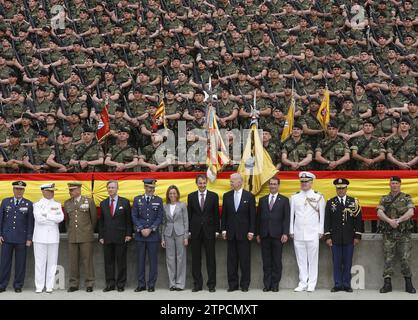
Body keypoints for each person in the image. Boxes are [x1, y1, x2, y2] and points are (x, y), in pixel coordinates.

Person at [377, 176, 416, 294]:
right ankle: (387, 284)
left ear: (400, 184)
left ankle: (408, 284)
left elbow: (411, 212)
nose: (394, 185)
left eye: (396, 183)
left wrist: (398, 221)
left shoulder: (406, 198)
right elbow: (379, 212)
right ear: (390, 185)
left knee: (405, 258)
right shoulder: (384, 198)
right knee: (388, 259)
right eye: (392, 183)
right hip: (388, 234)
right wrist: (390, 221)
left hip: (403, 234)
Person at [324, 178, 362, 293]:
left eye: (342, 188)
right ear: (336, 189)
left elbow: (359, 220)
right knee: (336, 262)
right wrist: (328, 236)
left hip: (349, 238)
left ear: (346, 188)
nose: (340, 190)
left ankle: (346, 284)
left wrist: (357, 236)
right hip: (335, 238)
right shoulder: (331, 202)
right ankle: (337, 284)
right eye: (338, 188)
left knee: (347, 262)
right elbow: (327, 221)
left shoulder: (353, 202)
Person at [290, 171, 325, 292]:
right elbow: (292, 216)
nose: (304, 184)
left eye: (306, 182)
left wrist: (321, 230)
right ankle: (302, 282)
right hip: (298, 232)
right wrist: (291, 230)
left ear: (311, 182)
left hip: (313, 232)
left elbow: (322, 216)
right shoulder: (294, 197)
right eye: (302, 181)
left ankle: (312, 283)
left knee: (313, 260)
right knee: (301, 260)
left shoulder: (318, 196)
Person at [221, 173, 256, 292]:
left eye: (232, 181)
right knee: (231, 261)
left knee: (244, 260)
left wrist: (252, 231)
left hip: (245, 234)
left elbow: (252, 216)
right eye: (230, 181)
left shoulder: (249, 196)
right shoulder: (227, 196)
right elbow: (224, 215)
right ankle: (232, 284)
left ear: (240, 182)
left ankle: (245, 284)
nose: (230, 183)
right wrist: (224, 230)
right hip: (231, 233)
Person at [256, 176, 290, 292]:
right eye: (271, 184)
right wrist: (258, 234)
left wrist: (285, 233)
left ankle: (275, 284)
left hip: (278, 236)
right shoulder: (262, 200)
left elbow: (286, 219)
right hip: (264, 235)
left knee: (276, 261)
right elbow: (258, 218)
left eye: (275, 184)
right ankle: (267, 284)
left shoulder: (284, 200)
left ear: (278, 186)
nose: (272, 186)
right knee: (266, 262)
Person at [187, 174, 220, 293]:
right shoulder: (191, 197)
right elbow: (189, 215)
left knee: (211, 259)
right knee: (196, 259)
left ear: (207, 183)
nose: (202, 185)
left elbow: (216, 215)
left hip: (209, 232)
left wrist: (217, 230)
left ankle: (211, 284)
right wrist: (189, 230)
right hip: (195, 232)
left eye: (204, 183)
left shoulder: (213, 196)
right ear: (196, 184)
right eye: (200, 183)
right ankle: (197, 284)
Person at [98, 180, 132, 292]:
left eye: (113, 187)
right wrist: (101, 236)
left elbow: (128, 220)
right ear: (107, 189)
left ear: (117, 189)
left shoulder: (125, 202)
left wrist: (128, 234)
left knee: (121, 261)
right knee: (108, 262)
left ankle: (121, 284)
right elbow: (101, 222)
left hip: (121, 237)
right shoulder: (103, 203)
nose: (111, 189)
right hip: (107, 237)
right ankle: (110, 284)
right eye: (109, 187)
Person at [0, 181, 34, 293]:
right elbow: (1, 220)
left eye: (21, 189)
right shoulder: (5, 202)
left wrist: (29, 238)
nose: (19, 191)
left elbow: (30, 223)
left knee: (20, 263)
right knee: (4, 263)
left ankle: (18, 285)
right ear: (13, 190)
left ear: (24, 190)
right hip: (6, 238)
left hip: (21, 239)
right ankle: (2, 284)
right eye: (17, 189)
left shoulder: (28, 204)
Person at [64, 182, 97, 293]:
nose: (70, 192)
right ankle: (74, 284)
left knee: (87, 260)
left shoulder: (89, 201)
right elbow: (67, 221)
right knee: (73, 261)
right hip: (73, 236)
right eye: (70, 190)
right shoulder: (67, 203)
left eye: (72, 190)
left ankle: (89, 283)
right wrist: (70, 231)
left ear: (79, 190)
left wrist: (88, 231)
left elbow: (93, 219)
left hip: (86, 235)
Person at [132, 179, 163, 292]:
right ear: (145, 187)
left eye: (153, 188)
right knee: (140, 261)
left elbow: (160, 217)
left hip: (153, 235)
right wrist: (141, 228)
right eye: (149, 187)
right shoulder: (137, 199)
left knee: (153, 261)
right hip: (140, 235)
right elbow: (134, 216)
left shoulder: (158, 200)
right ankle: (141, 284)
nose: (151, 189)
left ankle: (151, 285)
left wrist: (151, 229)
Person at [33, 183, 64, 293]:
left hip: (53, 237)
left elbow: (60, 218)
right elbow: (39, 220)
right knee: (39, 262)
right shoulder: (37, 204)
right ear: (43, 191)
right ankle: (39, 286)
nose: (52, 192)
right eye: (50, 191)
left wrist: (47, 215)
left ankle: (49, 285)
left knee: (52, 263)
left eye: (53, 191)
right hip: (39, 237)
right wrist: (52, 218)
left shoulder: (57, 204)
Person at [161, 185, 188, 291]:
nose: (172, 195)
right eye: (170, 193)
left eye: (174, 193)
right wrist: (162, 238)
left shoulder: (182, 205)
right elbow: (163, 223)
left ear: (177, 194)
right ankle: (172, 283)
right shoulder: (164, 206)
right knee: (170, 259)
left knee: (181, 258)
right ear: (168, 195)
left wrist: (186, 236)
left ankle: (180, 283)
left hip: (180, 234)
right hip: (168, 234)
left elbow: (186, 222)